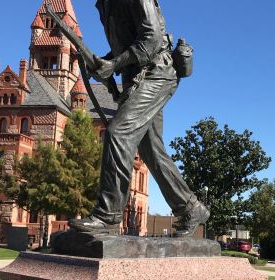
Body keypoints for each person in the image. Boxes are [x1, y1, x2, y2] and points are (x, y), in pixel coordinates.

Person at [70, 0, 209, 237]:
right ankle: (191, 208)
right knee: (151, 150)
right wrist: (104, 62)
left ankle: (108, 215)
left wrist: (113, 64)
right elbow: (126, 44)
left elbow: (152, 38)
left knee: (118, 133)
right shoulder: (104, 4)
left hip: (156, 74)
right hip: (137, 77)